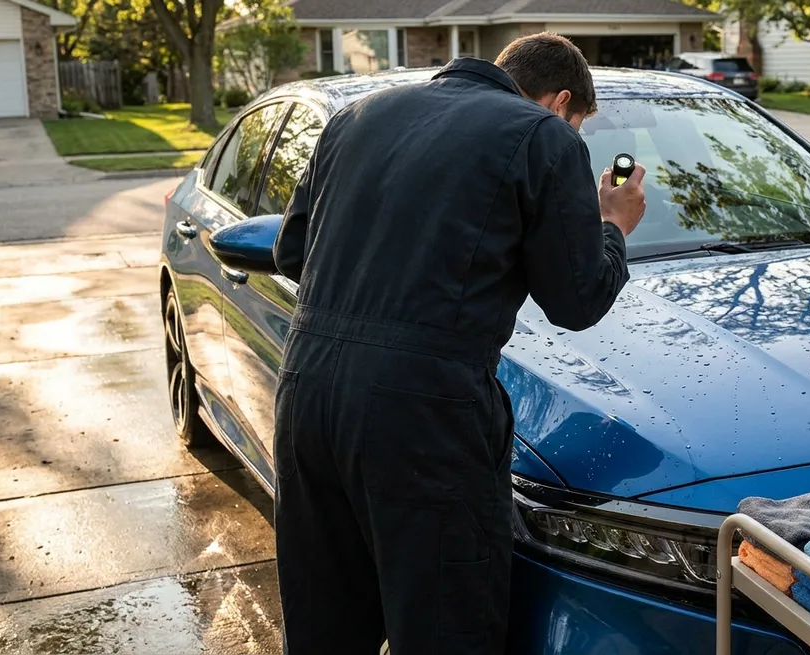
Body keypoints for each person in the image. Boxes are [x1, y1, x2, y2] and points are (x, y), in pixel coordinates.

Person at [270, 32, 647, 655]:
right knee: (446, 628)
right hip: (426, 417)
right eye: (578, 123)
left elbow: (290, 252)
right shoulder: (542, 136)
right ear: (559, 104)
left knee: (323, 625)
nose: (572, 134)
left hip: (307, 396)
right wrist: (611, 225)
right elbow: (578, 300)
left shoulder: (355, 117)